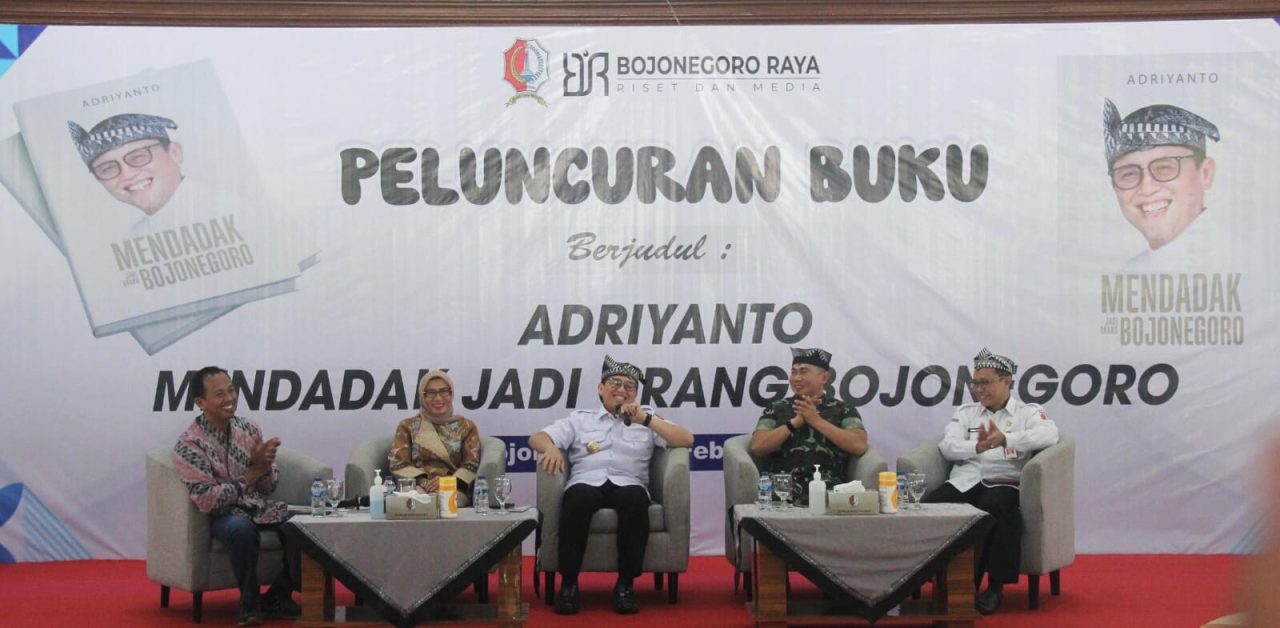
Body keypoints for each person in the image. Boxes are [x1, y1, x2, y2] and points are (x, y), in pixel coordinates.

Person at [529, 355, 694, 616]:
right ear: (601, 388)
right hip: (586, 481)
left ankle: (625, 586)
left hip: (629, 483)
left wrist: (645, 420)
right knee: (577, 499)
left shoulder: (647, 418)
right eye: (615, 383)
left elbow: (686, 439)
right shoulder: (581, 419)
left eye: (629, 386)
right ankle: (569, 584)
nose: (622, 390)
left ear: (635, 394)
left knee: (635, 501)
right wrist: (550, 447)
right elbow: (537, 437)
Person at [923, 348, 1059, 615]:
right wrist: (978, 447)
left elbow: (1049, 435)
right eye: (975, 383)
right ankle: (936, 580)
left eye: (984, 382)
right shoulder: (966, 412)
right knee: (933, 505)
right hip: (966, 480)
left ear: (1007, 381)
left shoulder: (1027, 412)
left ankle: (995, 586)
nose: (978, 389)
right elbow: (948, 446)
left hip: (1003, 480)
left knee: (997, 509)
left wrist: (1007, 439)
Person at [170, 366, 299, 627]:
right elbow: (208, 501)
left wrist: (265, 468)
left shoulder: (249, 429)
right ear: (200, 402)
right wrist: (251, 474)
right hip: (222, 515)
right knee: (241, 529)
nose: (230, 398)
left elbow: (268, 488)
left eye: (231, 390)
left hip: (258, 507)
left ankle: (278, 595)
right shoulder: (189, 445)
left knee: (304, 526)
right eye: (219, 394)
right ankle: (249, 606)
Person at [1103, 98, 1220, 264]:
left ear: (1205, 174)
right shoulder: (1129, 271)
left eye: (1164, 168)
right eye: (1129, 174)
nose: (1147, 188)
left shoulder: (1239, 260)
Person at [749, 347, 868, 498]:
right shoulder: (776, 408)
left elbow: (859, 445)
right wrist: (794, 423)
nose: (796, 378)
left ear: (824, 378)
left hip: (828, 491)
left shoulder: (843, 409)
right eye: (794, 372)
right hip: (782, 492)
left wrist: (815, 420)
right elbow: (757, 447)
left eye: (803, 372)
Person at [388, 370, 482, 506]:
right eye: (430, 393)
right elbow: (398, 464)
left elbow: (471, 466)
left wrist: (447, 482)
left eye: (444, 391)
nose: (438, 398)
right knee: (418, 502)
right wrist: (424, 483)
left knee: (445, 503)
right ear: (422, 396)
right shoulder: (407, 426)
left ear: (451, 394)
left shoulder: (466, 426)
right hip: (417, 487)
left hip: (453, 487)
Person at [69, 113, 185, 218]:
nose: (127, 174)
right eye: (108, 168)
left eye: (138, 157)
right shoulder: (136, 233)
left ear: (175, 152)